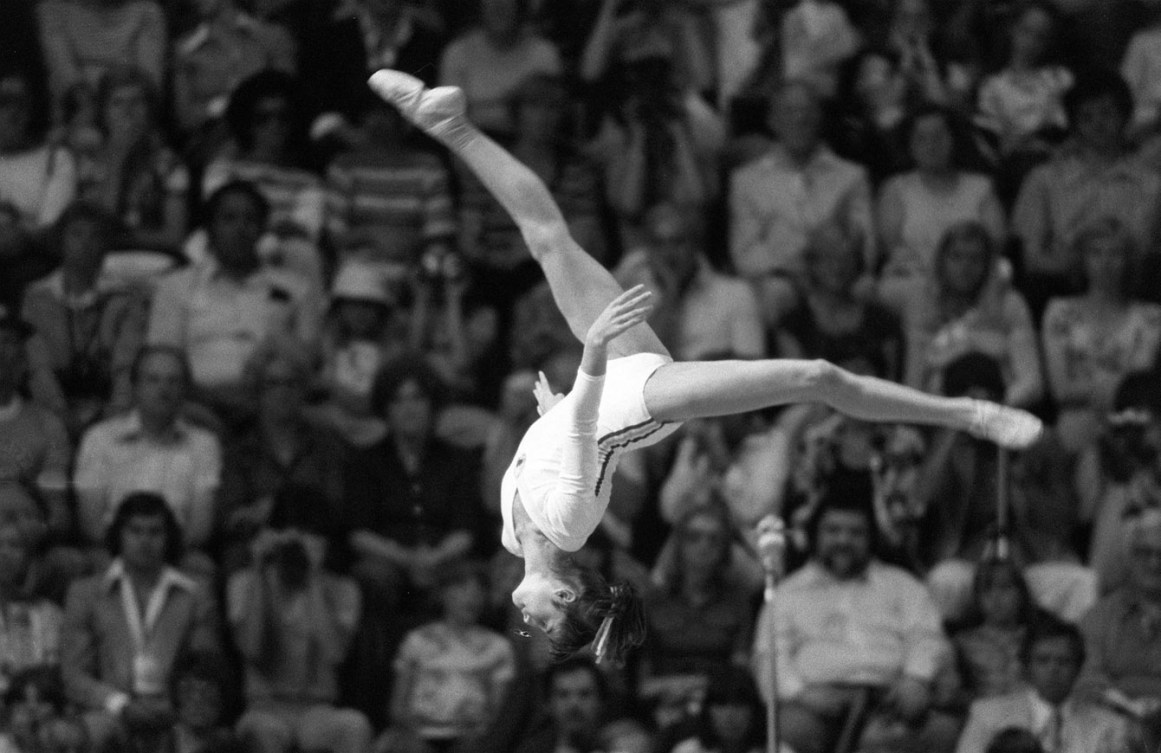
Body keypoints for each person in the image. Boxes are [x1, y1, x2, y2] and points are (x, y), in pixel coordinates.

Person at [368, 69, 1045, 666]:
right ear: (568, 590)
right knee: (815, 375)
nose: (525, 621)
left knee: (547, 237)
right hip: (641, 401)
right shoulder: (567, 528)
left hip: (605, 390)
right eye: (542, 621)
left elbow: (561, 442)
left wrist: (551, 410)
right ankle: (966, 414)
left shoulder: (512, 534)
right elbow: (584, 435)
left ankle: (445, 122)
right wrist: (592, 353)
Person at [753, 488, 958, 753]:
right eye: (833, 530)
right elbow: (769, 655)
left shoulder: (902, 585)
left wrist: (916, 679)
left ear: (871, 537)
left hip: (889, 698)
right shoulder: (787, 593)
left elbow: (926, 637)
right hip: (815, 703)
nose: (843, 540)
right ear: (815, 535)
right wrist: (801, 694)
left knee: (941, 731)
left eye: (855, 533)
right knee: (790, 731)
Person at [61, 492, 221, 750]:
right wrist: (120, 704)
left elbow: (205, 665)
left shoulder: (196, 593)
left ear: (168, 537)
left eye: (155, 532)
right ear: (119, 535)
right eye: (135, 531)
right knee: (88, 734)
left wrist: (177, 705)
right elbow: (73, 674)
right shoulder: (85, 593)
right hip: (110, 709)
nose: (145, 540)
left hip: (177, 711)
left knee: (199, 742)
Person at [73, 345, 222, 557]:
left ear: (185, 390)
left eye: (173, 381)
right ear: (135, 387)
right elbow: (91, 525)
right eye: (153, 380)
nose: (164, 389)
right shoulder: (99, 439)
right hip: (111, 554)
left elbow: (199, 529)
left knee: (202, 576)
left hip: (178, 555)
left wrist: (159, 555)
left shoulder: (204, 444)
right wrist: (134, 555)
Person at [384, 560, 516, 753]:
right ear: (443, 593)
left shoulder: (498, 647)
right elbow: (397, 706)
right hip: (419, 734)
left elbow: (499, 712)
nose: (472, 597)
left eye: (479, 591)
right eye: (462, 588)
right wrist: (412, 734)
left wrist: (477, 734)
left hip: (472, 738)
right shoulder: (417, 640)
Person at [955, 619, 1129, 753]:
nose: (1053, 670)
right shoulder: (987, 716)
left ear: (1078, 668)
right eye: (1043, 660)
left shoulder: (1110, 726)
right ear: (1027, 667)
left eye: (1063, 661)